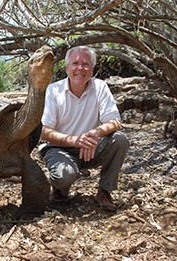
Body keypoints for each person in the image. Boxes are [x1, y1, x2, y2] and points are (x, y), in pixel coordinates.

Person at [40, 46, 129, 211]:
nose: (80, 68)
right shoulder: (54, 91)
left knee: (120, 140)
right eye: (75, 63)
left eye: (85, 64)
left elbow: (115, 121)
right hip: (60, 148)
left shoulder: (100, 87)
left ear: (92, 69)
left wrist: (95, 133)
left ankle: (104, 192)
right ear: (67, 68)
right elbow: (44, 131)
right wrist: (74, 140)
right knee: (64, 176)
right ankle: (60, 191)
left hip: (91, 146)